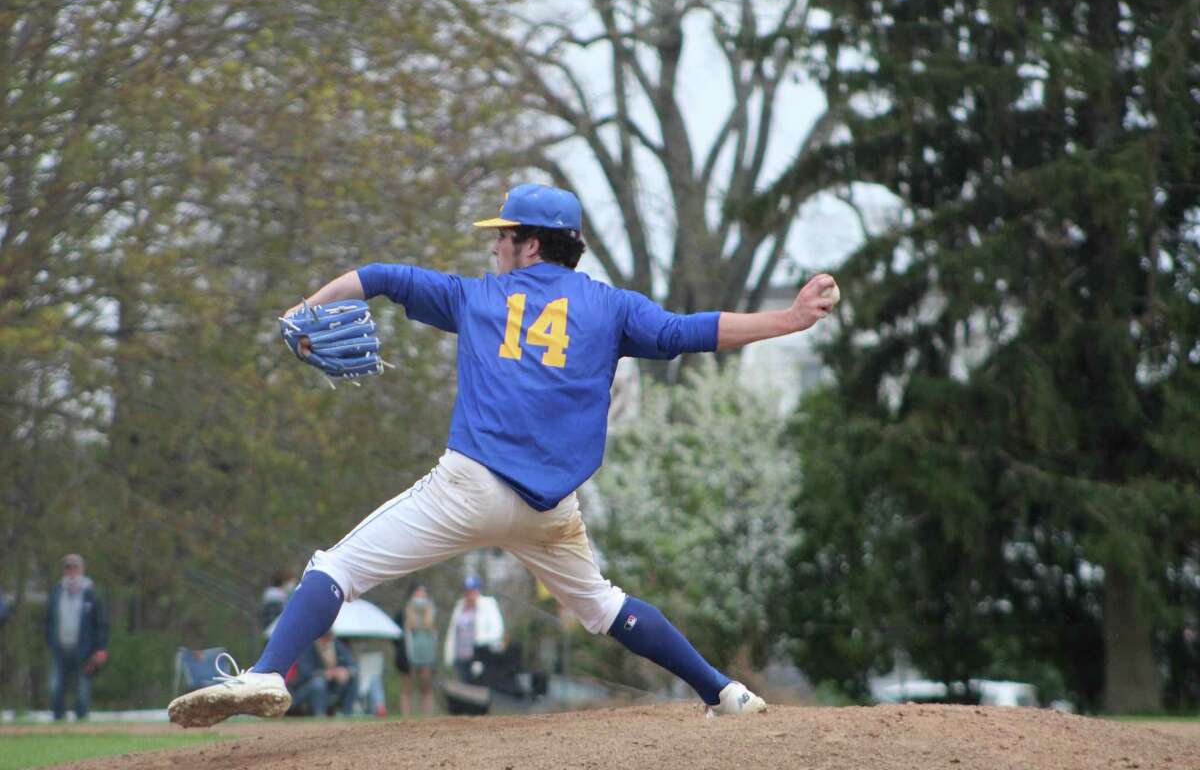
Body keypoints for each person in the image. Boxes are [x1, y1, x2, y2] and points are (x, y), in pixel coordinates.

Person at [167, 182, 838, 727]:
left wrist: (302, 310)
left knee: (335, 567)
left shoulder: (476, 296)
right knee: (603, 607)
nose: (494, 246)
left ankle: (267, 674)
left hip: (468, 489)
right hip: (550, 510)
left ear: (532, 245)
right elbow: (693, 332)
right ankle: (725, 693)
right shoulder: (610, 308)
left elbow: (375, 276)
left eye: (503, 235)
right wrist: (793, 319)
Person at [45, 554, 109, 721]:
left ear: (81, 570)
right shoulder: (56, 592)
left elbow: (100, 624)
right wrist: (51, 641)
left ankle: (81, 721)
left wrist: (101, 648)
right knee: (56, 686)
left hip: (84, 650)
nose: (72, 572)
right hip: (60, 649)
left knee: (82, 688)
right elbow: (48, 621)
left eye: (75, 568)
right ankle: (58, 720)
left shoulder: (91, 594)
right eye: (68, 568)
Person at [444, 575, 504, 684]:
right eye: (467, 591)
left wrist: (480, 641)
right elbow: (452, 633)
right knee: (462, 687)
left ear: (478, 590)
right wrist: (449, 655)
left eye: (472, 591)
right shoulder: (459, 606)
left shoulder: (488, 604)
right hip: (461, 657)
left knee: (477, 688)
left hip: (480, 657)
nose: (470, 595)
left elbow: (497, 630)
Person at [288, 632, 358, 717]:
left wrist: (345, 671)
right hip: (307, 688)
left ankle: (347, 714)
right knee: (318, 683)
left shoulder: (337, 645)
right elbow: (304, 673)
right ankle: (320, 715)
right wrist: (325, 674)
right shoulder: (308, 648)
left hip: (332, 686)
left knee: (352, 678)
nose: (326, 642)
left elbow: (353, 665)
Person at [400, 582, 438, 717]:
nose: (421, 595)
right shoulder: (403, 612)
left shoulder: (432, 612)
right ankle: (406, 717)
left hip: (427, 654)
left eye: (423, 592)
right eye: (418, 592)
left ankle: (427, 717)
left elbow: (435, 635)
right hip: (409, 654)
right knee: (407, 685)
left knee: (426, 684)